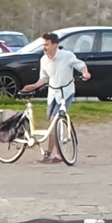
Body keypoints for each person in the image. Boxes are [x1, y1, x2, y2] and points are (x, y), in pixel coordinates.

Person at [38, 30, 89, 164]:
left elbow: (80, 64)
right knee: (51, 124)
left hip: (66, 93)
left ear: (55, 45)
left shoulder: (67, 56)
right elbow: (43, 78)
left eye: (47, 45)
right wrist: (32, 86)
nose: (44, 47)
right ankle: (49, 154)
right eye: (43, 45)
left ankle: (57, 154)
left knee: (55, 121)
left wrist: (85, 73)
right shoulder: (43, 60)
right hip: (52, 94)